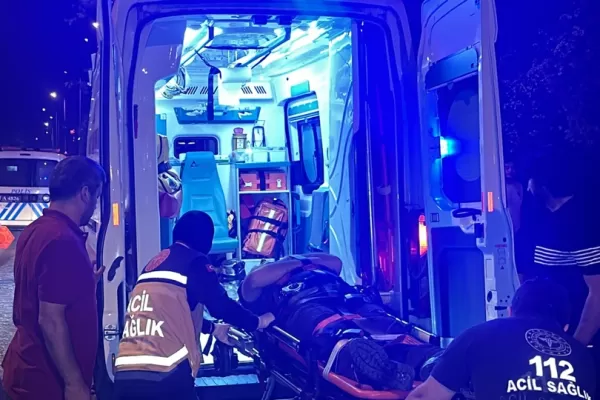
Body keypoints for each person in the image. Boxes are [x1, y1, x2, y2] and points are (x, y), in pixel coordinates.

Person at [114, 211, 275, 400]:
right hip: (165, 371)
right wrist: (257, 322)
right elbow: (221, 306)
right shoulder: (195, 262)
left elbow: (167, 315)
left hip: (125, 374)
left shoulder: (153, 265)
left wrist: (213, 328)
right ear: (205, 240)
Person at [239, 253, 440, 391]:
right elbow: (255, 278)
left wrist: (293, 263)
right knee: (333, 333)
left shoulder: (310, 269)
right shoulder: (256, 291)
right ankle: (370, 368)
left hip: (347, 300)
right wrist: (299, 262)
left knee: (388, 327)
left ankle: (429, 360)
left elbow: (335, 261)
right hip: (303, 307)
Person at [2, 156, 106, 400]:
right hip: (44, 384)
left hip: (25, 371)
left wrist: (85, 286)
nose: (95, 205)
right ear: (84, 193)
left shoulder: (36, 230)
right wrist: (74, 384)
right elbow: (50, 319)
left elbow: (42, 290)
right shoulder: (62, 240)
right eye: (97, 196)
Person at [406, 278, 596, 400]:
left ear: (510, 312)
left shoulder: (479, 335)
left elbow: (424, 397)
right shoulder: (587, 359)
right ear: (566, 327)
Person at [522, 152, 600, 395]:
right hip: (550, 337)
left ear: (542, 183)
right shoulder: (543, 215)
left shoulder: (581, 221)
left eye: (531, 180)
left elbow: (598, 293)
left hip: (578, 338)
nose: (527, 186)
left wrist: (576, 348)